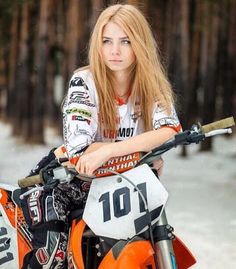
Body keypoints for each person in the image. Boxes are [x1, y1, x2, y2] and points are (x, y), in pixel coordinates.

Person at [21, 3, 181, 269]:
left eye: (125, 41)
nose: (114, 51)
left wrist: (108, 151)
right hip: (68, 177)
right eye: (107, 41)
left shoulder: (152, 84)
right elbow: (79, 149)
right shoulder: (83, 82)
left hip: (127, 181)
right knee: (53, 254)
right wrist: (140, 150)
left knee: (156, 235)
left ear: (139, 44)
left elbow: (168, 130)